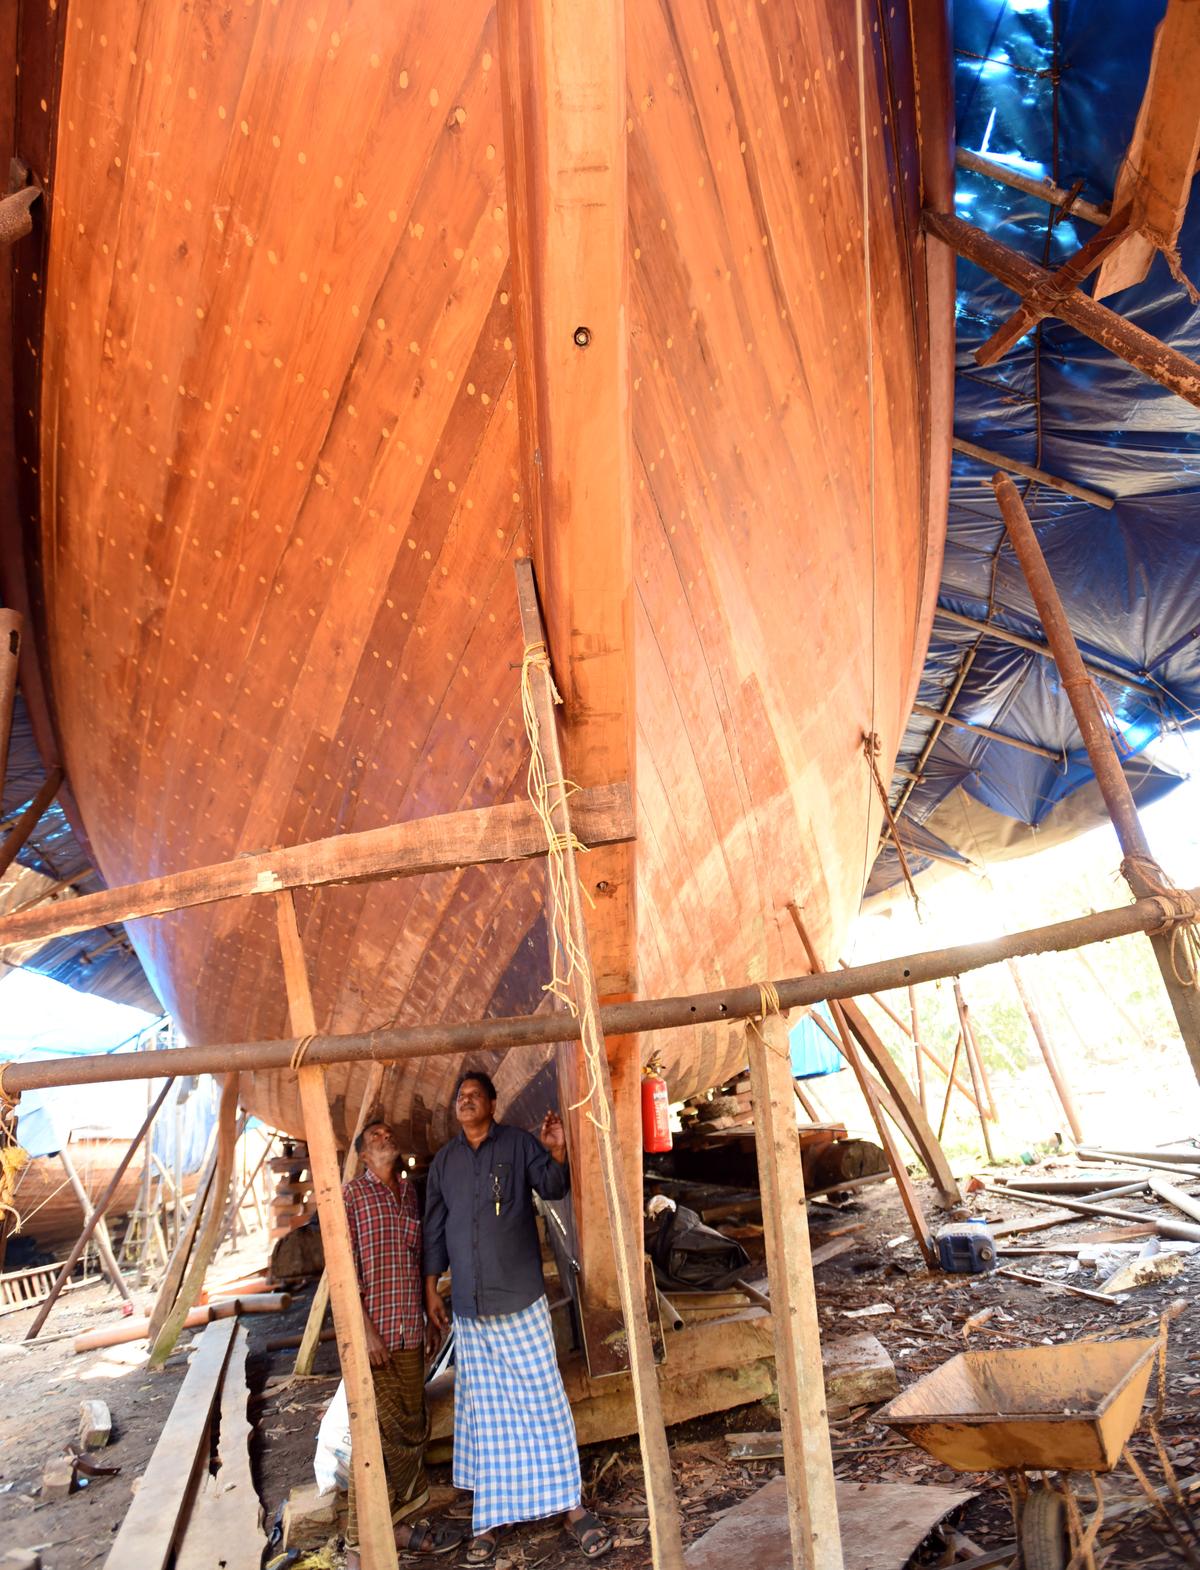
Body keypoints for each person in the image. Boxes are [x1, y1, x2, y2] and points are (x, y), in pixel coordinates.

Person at [423, 1071, 612, 1565]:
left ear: (492, 1102)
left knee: (542, 1399)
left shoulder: (519, 1144)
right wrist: (431, 1287)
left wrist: (557, 1151)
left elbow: (552, 1187)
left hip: (520, 1299)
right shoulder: (444, 1162)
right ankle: (490, 1518)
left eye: (473, 1095)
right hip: (469, 1306)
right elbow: (436, 1229)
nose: (464, 1101)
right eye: (459, 1096)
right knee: (486, 1415)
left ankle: (570, 1506)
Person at [342, 1119, 464, 1569]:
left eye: (388, 1132)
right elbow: (344, 1271)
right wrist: (366, 1332)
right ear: (361, 1154)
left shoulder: (410, 1193)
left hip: (409, 1330)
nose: (385, 1136)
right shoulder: (352, 1196)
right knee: (372, 1435)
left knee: (411, 1428)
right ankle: (359, 1545)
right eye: (374, 1136)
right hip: (373, 1336)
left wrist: (429, 1316)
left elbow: (418, 1263)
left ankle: (395, 1524)